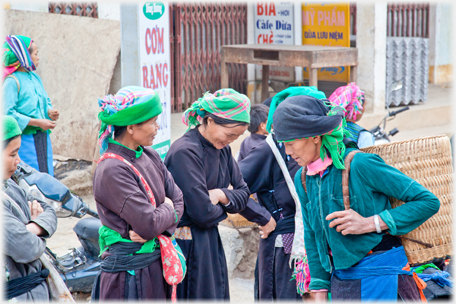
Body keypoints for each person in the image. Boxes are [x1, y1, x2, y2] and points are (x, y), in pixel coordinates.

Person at [272, 94, 440, 301]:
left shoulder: (360, 164)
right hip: (342, 281)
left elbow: (428, 201)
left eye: (291, 143)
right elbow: (312, 235)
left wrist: (370, 223)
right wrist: (320, 290)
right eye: (283, 145)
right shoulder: (304, 178)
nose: (288, 153)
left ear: (315, 136)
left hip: (382, 274)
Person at [91, 86, 184, 300]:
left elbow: (179, 199)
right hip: (128, 279)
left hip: (151, 267)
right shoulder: (112, 169)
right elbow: (148, 224)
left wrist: (161, 216)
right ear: (131, 127)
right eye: (152, 122)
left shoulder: (149, 155)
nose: (157, 128)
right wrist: (168, 208)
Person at [238, 86, 326, 300]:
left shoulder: (321, 150)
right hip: (285, 249)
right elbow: (232, 187)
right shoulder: (271, 150)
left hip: (316, 246)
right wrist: (263, 217)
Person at [164, 89, 251, 300]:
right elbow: (202, 214)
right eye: (230, 134)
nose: (231, 141)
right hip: (188, 243)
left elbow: (244, 193)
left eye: (237, 137)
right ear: (210, 121)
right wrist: (228, 204)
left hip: (209, 239)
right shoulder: (185, 152)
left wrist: (221, 194)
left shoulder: (222, 149)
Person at [3, 115, 58, 301]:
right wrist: (38, 233)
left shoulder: (10, 185)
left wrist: (32, 228)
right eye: (12, 154)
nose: (18, 161)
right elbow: (27, 249)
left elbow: (48, 210)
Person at [2, 35, 59, 176]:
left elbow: (44, 99)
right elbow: (8, 114)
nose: (38, 57)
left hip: (42, 136)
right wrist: (38, 122)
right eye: (35, 54)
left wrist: (49, 111)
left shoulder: (34, 77)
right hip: (24, 140)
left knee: (46, 174)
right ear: (24, 57)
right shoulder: (11, 81)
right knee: (30, 176)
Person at [328, 82, 374, 148]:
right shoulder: (364, 136)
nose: (364, 109)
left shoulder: (329, 130)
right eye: (363, 106)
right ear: (356, 108)